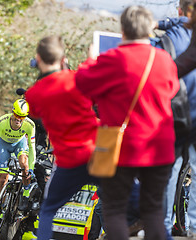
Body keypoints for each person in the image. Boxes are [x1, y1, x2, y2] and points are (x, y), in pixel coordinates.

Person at [75, 6, 179, 240]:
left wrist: (90, 60)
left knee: (114, 209)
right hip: (159, 147)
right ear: (149, 29)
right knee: (153, 211)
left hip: (121, 147)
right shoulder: (165, 60)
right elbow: (172, 90)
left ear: (123, 30)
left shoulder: (111, 59)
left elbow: (82, 84)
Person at [25, 35, 99, 240]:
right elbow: (92, 83)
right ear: (64, 58)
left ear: (38, 59)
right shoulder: (78, 78)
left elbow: (36, 112)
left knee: (48, 209)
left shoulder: (33, 95)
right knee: (126, 193)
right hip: (96, 153)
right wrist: (91, 58)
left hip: (68, 161)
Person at [150, 0, 196, 238]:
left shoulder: (167, 40)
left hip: (173, 115)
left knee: (170, 170)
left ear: (181, 11)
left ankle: (165, 226)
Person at [0, 99, 36, 211]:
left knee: (24, 165)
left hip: (19, 144)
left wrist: (31, 169)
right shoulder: (2, 121)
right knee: (2, 178)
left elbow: (31, 147)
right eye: (16, 115)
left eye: (22, 116)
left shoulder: (30, 125)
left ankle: (25, 194)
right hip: (3, 145)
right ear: (12, 111)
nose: (18, 119)